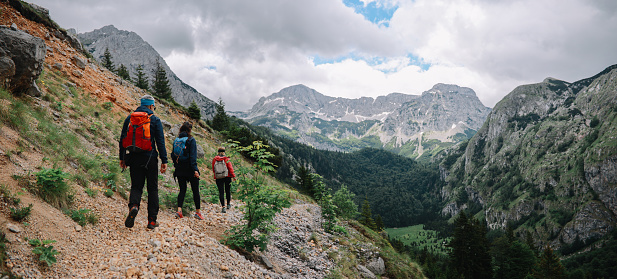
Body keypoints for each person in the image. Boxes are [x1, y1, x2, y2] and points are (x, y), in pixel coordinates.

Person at [119, 95, 168, 230]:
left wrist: (122, 158)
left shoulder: (130, 118)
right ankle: (152, 221)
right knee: (152, 189)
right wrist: (164, 160)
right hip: (150, 158)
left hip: (134, 158)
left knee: (136, 187)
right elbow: (160, 142)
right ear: (151, 106)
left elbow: (122, 139)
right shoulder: (154, 120)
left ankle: (134, 206)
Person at [171, 122, 203, 220]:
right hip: (190, 170)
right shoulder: (191, 140)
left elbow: (173, 155)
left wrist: (177, 166)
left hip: (179, 170)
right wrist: (195, 170)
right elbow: (193, 157)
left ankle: (179, 211)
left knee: (182, 190)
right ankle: (197, 212)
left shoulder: (177, 140)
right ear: (189, 130)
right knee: (195, 191)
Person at [212, 147, 235, 213]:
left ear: (218, 152)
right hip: (227, 176)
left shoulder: (215, 159)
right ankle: (228, 204)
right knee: (228, 190)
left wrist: (217, 174)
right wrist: (233, 176)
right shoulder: (226, 158)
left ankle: (223, 207)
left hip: (218, 177)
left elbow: (213, 169)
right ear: (224, 152)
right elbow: (230, 168)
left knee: (221, 192)